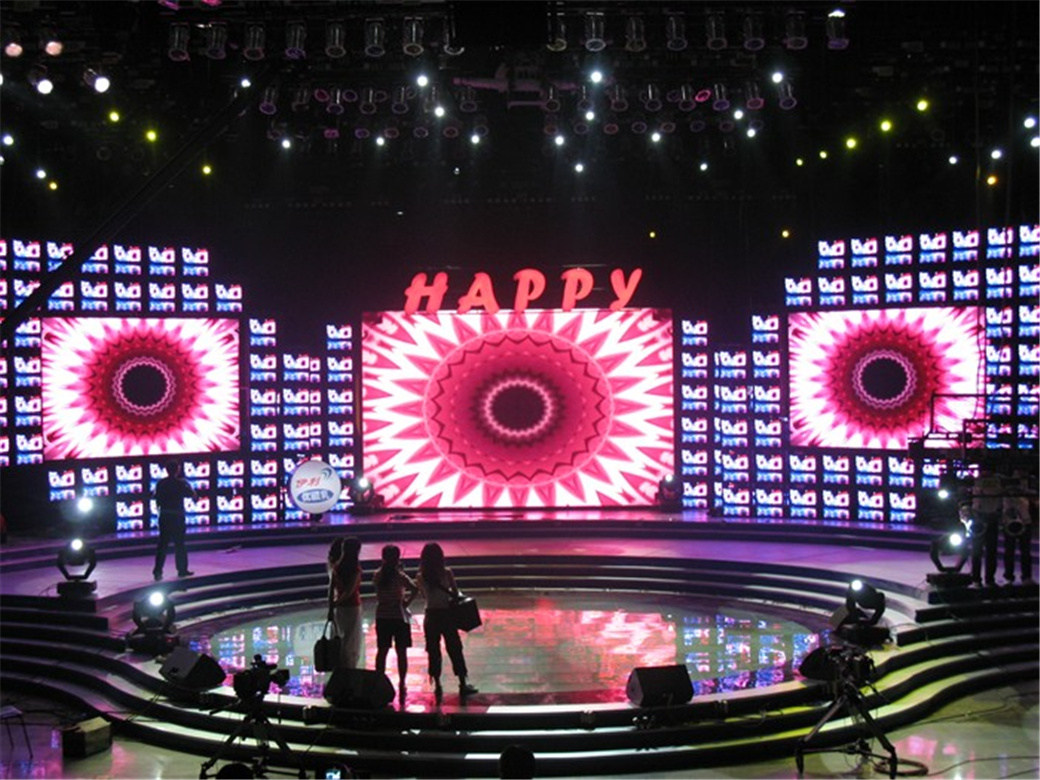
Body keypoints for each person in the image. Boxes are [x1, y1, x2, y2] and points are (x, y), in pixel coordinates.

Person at [415, 542, 477, 700]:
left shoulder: (420, 576)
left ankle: (437, 684)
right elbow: (455, 593)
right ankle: (462, 683)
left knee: (433, 650)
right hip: (446, 615)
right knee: (455, 648)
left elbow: (425, 596)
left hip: (431, 615)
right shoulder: (447, 573)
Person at [372, 544, 417, 700]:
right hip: (399, 616)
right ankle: (402, 682)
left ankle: (379, 680)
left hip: (382, 615)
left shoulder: (378, 575)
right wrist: (406, 602)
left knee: (382, 651)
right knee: (401, 652)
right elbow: (415, 588)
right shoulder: (400, 576)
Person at [152, 459, 197, 581]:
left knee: (162, 545)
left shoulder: (161, 483)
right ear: (177, 470)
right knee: (180, 544)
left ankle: (157, 571)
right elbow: (193, 495)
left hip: (165, 516)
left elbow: (156, 498)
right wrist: (188, 485)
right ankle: (182, 570)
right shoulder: (181, 483)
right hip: (177, 517)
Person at [329, 536, 363, 668]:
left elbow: (331, 589)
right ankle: (349, 665)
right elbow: (350, 591)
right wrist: (338, 602)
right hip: (352, 606)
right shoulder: (355, 569)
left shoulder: (336, 568)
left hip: (340, 608)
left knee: (340, 636)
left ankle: (340, 663)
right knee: (351, 638)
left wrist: (333, 604)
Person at [969, 465, 1003, 587]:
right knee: (976, 551)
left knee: (991, 551)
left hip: (992, 517)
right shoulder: (977, 482)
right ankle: (976, 579)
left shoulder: (997, 482)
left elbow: (995, 494)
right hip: (978, 517)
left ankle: (990, 579)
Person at [1001, 469, 1034, 584]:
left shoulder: (1029, 482)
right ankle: (1009, 577)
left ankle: (1026, 576)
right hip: (1009, 520)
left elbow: (1034, 498)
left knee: (1025, 551)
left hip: (1025, 520)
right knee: (1009, 551)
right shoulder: (1006, 482)